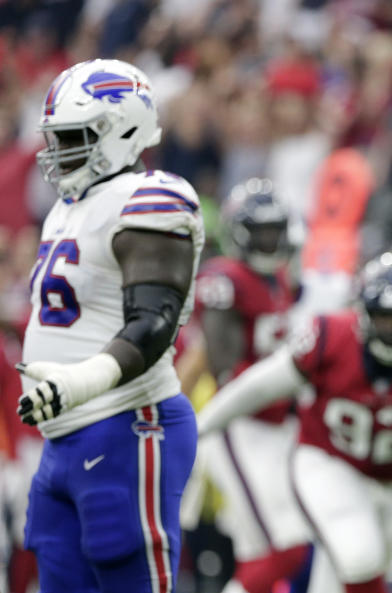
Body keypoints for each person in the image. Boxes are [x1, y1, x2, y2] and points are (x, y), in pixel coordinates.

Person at [16, 59, 204, 593]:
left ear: (122, 129)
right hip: (62, 441)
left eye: (73, 137)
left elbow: (154, 322)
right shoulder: (67, 209)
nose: (58, 152)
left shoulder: (150, 197)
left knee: (129, 574)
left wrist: (80, 381)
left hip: (128, 422)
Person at [196, 253, 392, 593]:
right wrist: (203, 424)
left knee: (343, 579)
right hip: (327, 462)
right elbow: (258, 386)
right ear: (363, 312)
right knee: (359, 557)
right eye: (383, 316)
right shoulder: (330, 337)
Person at [192, 178, 312, 593]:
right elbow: (225, 367)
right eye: (260, 231)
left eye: (275, 230)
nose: (270, 240)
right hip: (240, 422)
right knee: (289, 549)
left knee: (260, 555)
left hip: (277, 425)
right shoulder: (224, 278)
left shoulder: (279, 279)